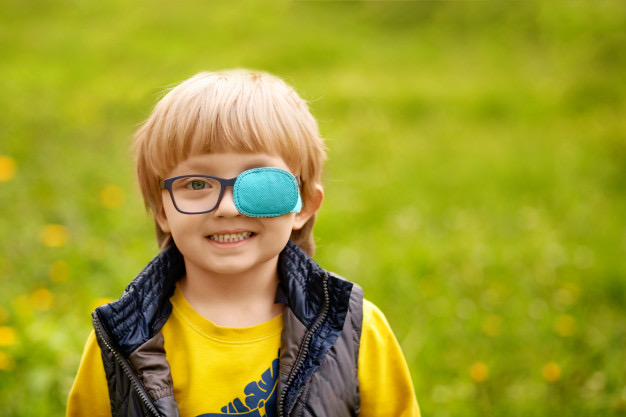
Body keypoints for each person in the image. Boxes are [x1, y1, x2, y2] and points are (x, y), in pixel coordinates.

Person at [67, 70, 419, 417]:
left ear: (304, 205)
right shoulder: (120, 342)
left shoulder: (354, 331)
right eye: (195, 184)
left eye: (260, 182)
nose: (227, 208)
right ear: (162, 210)